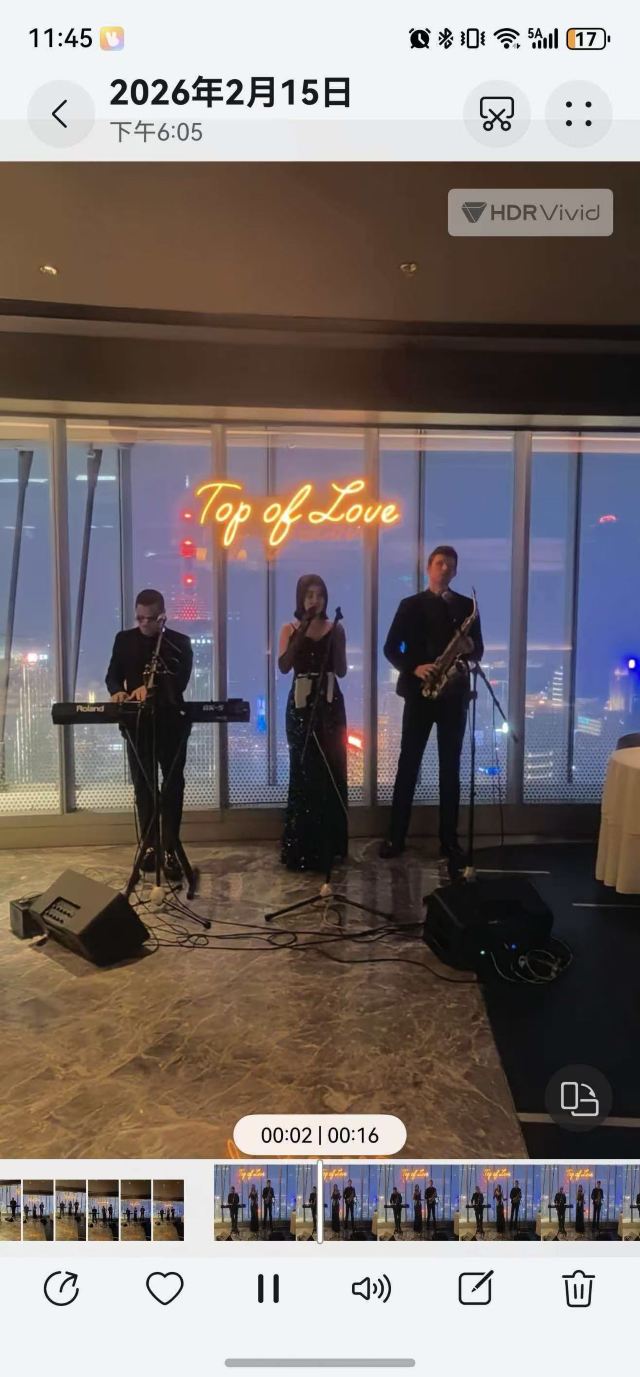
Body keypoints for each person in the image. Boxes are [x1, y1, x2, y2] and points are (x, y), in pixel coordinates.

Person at [380, 546, 483, 873]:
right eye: (440, 564)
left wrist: (469, 646)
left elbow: (478, 651)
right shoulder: (410, 605)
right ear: (429, 568)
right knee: (408, 765)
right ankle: (396, 837)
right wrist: (415, 667)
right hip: (420, 693)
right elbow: (390, 648)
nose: (445, 569)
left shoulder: (466, 608)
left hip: (454, 695)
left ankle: (449, 840)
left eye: (450, 565)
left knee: (450, 769)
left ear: (456, 571)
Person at [106, 588, 193, 884]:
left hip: (170, 724)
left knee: (172, 787)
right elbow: (112, 675)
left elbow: (179, 682)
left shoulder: (179, 643)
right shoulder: (124, 640)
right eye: (139, 618)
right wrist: (118, 690)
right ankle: (150, 846)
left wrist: (151, 687)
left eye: (150, 618)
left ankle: (170, 849)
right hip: (138, 726)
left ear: (162, 616)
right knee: (144, 787)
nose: (144, 623)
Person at [278, 574, 348, 872]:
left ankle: (329, 846)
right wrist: (303, 627)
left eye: (319, 595)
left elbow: (342, 670)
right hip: (301, 706)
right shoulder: (290, 628)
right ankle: (302, 847)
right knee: (304, 770)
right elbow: (284, 666)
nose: (314, 600)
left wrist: (336, 641)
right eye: (309, 595)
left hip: (330, 705)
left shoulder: (336, 628)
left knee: (331, 769)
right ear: (300, 599)